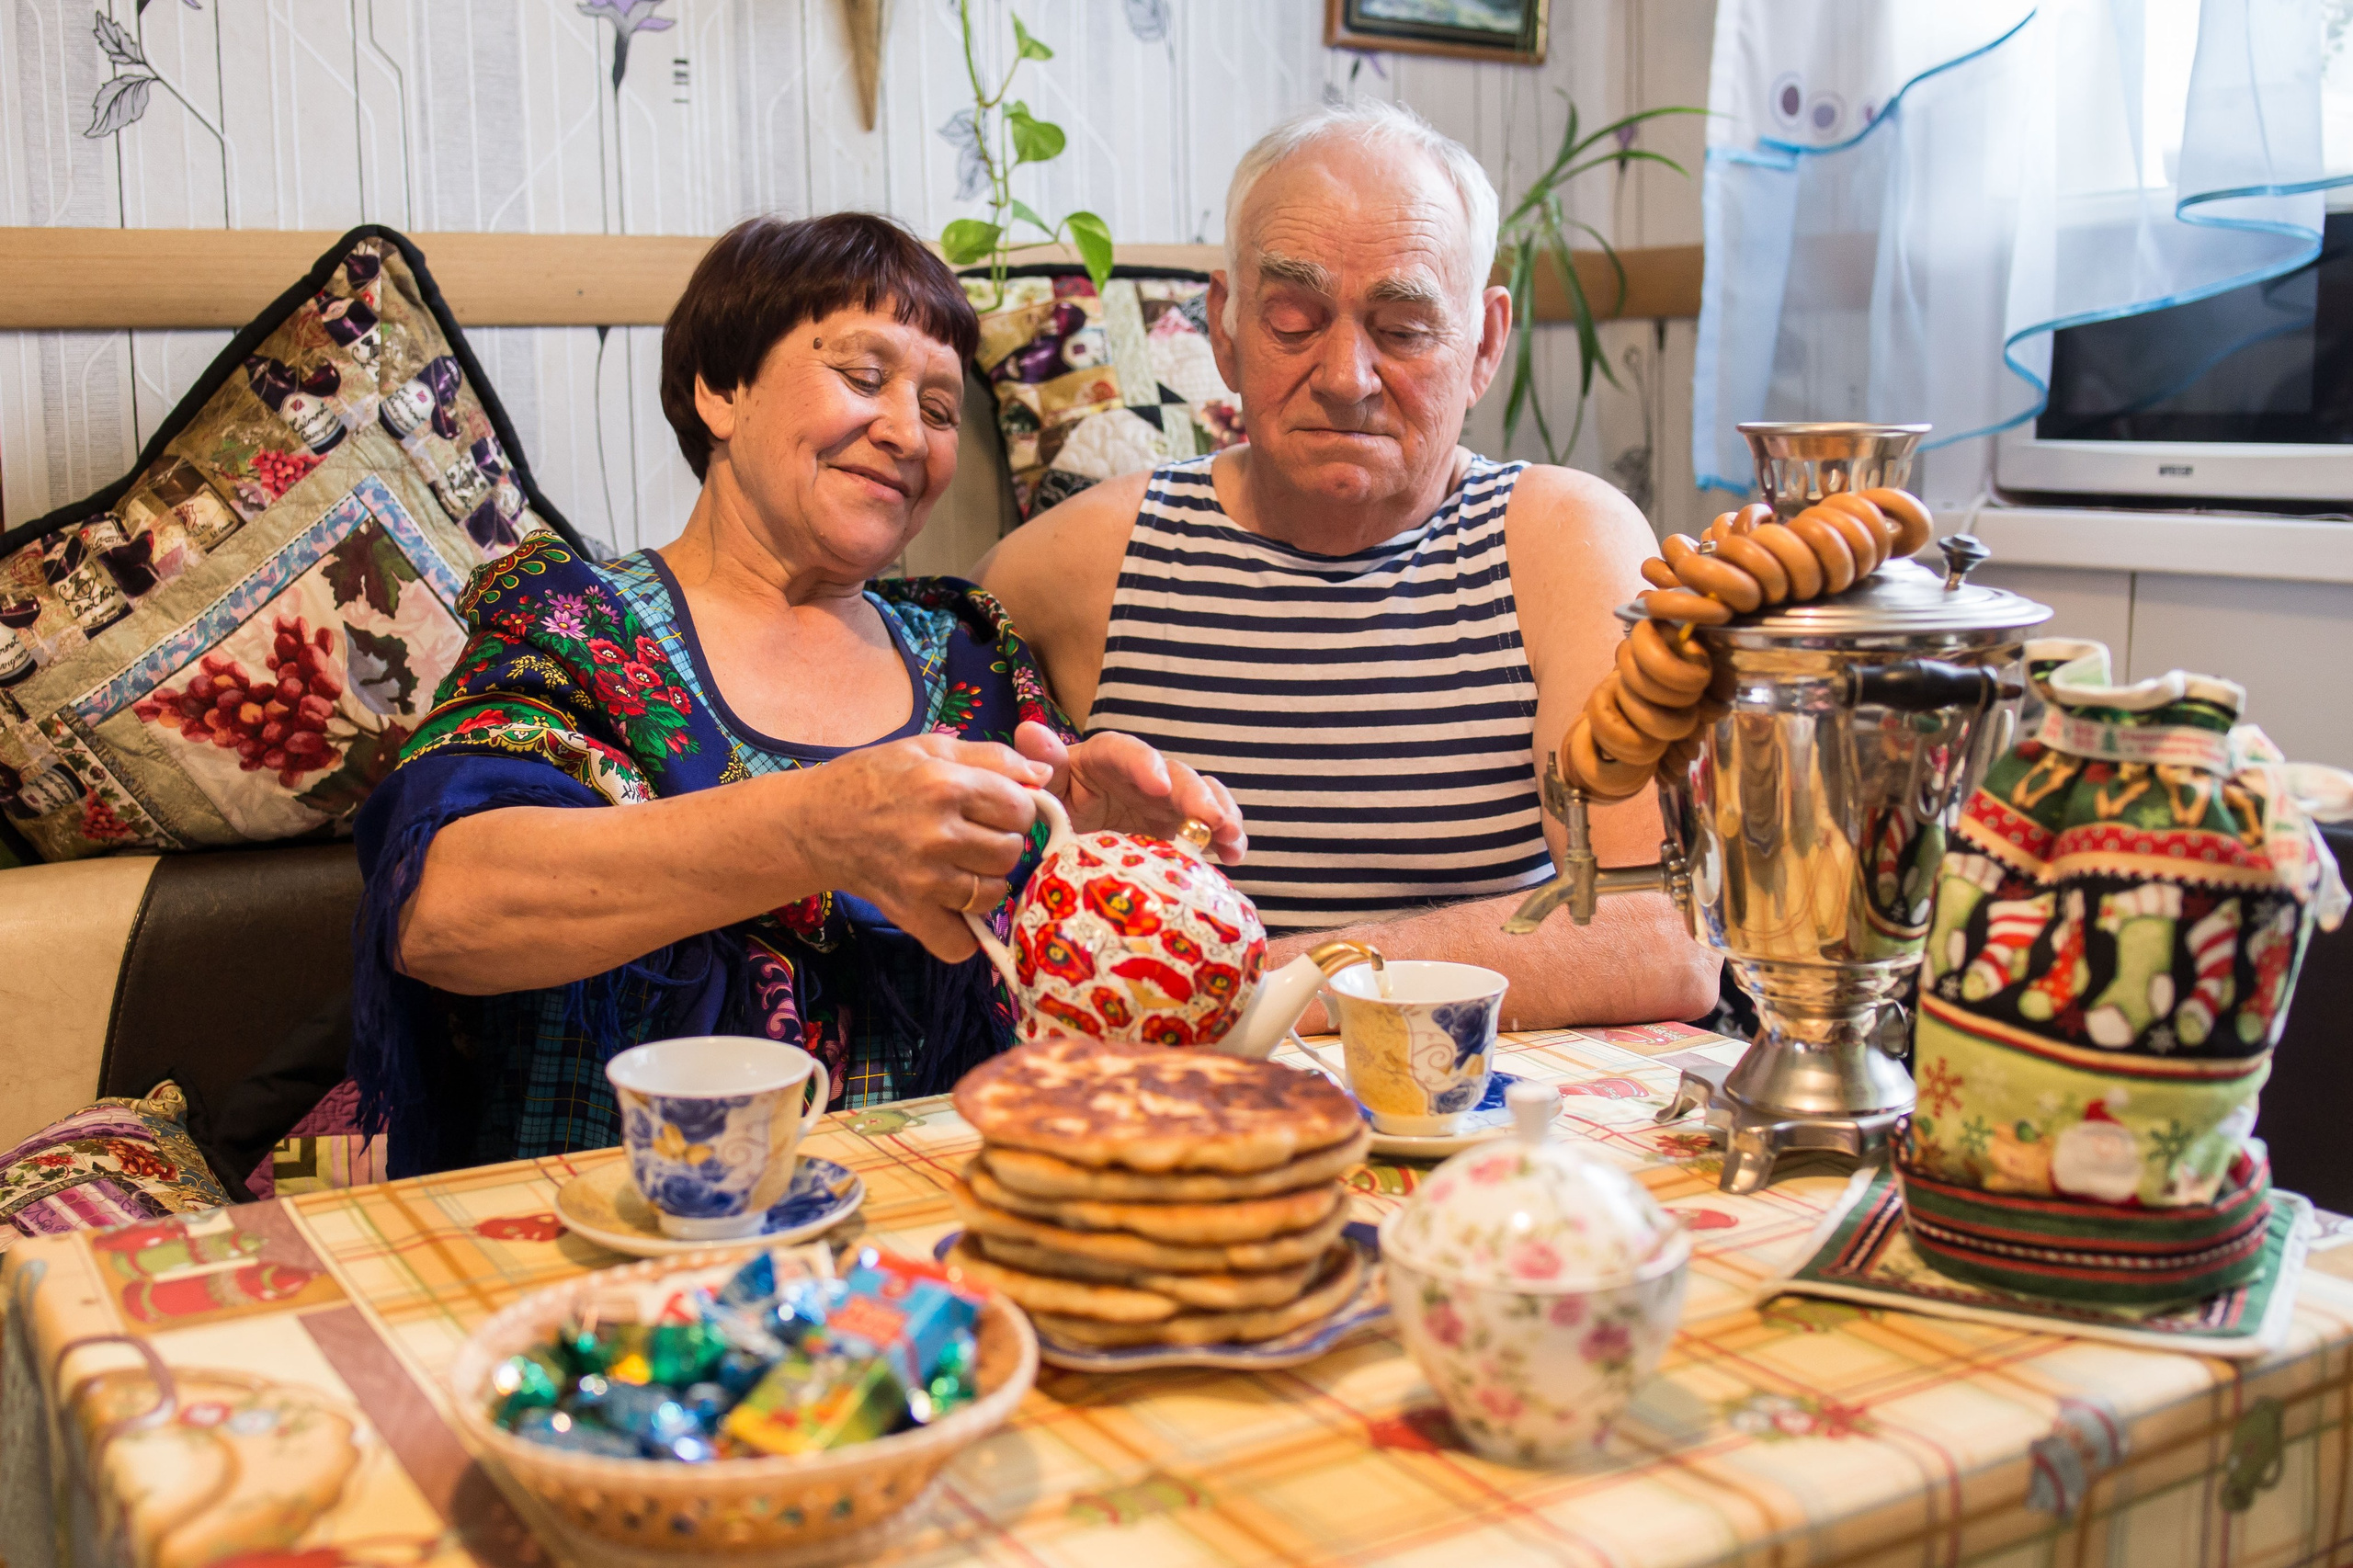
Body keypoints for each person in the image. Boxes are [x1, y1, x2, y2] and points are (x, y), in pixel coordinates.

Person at [352, 213, 1242, 1177]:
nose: (907, 431)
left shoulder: (971, 655)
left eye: (940, 409)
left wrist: (1088, 865)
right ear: (719, 390)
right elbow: (441, 910)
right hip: (643, 1243)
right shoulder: (577, 624)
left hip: (950, 1228)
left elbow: (1059, 1012)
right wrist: (816, 826)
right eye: (863, 378)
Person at [979, 101, 1720, 1030]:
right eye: (1293, 317)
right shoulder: (1081, 560)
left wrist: (1245, 989)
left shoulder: (1562, 544)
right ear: (1224, 325)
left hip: (1477, 1133)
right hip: (1169, 1135)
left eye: (1404, 327)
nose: (1346, 375)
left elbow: (1661, 930)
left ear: (1485, 342)